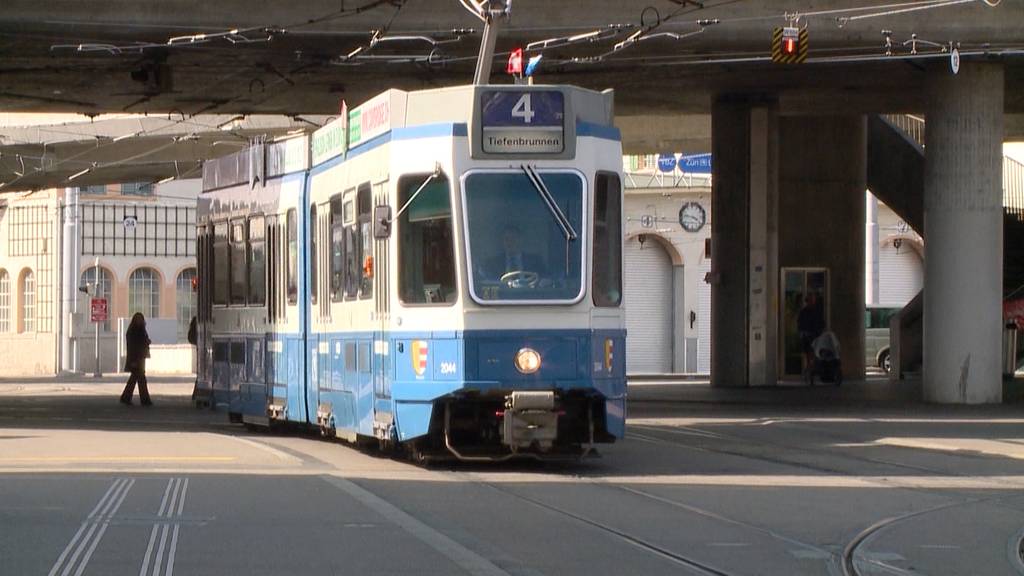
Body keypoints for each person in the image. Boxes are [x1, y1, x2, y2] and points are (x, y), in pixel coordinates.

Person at [120, 312, 152, 406]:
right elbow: (133, 347)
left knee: (135, 379)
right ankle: (144, 399)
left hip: (140, 357)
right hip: (136, 358)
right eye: (138, 319)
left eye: (140, 319)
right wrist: (133, 361)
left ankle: (126, 397)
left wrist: (146, 342)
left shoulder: (140, 330)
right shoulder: (133, 331)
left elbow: (141, 342)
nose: (139, 321)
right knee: (140, 379)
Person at [797, 293, 825, 377]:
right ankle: (810, 366)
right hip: (808, 335)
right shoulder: (804, 312)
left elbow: (821, 323)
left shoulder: (817, 312)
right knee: (809, 351)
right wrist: (802, 332)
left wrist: (820, 331)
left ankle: (812, 366)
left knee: (815, 351)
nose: (812, 302)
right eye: (810, 301)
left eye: (813, 300)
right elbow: (800, 324)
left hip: (816, 335)